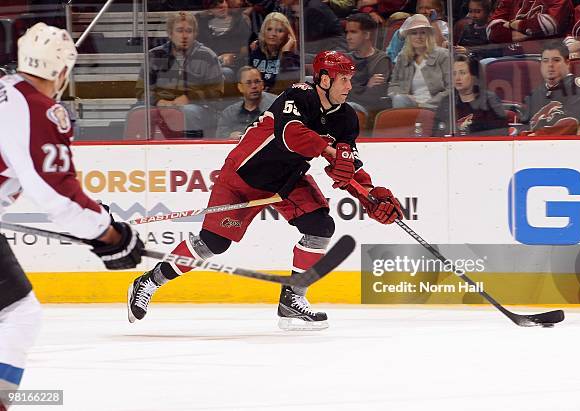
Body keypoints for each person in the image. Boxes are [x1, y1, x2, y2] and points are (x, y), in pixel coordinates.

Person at [127, 50, 403, 331]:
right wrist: (332, 152)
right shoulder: (298, 95)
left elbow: (349, 166)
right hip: (243, 177)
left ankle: (292, 300)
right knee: (213, 243)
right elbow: (291, 135)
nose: (348, 86)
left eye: (350, 79)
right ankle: (149, 281)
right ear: (323, 79)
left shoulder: (346, 119)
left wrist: (369, 195)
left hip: (286, 180)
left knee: (320, 227)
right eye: (343, 79)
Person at [0, 23, 144, 410]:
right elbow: (58, 194)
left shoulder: (6, 92)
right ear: (62, 71)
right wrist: (108, 234)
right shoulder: (37, 107)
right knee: (18, 316)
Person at [135, 11, 224, 138]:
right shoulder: (154, 55)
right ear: (170, 33)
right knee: (137, 112)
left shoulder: (207, 56)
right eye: (179, 30)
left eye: (189, 31)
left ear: (195, 34)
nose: (184, 36)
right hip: (161, 104)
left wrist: (190, 98)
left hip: (199, 108)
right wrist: (158, 101)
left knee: (188, 111)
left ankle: (192, 150)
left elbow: (216, 91)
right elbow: (141, 90)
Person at [519, 40, 580, 136]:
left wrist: (534, 137)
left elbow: (570, 123)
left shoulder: (578, 88)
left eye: (556, 60)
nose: (550, 65)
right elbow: (524, 126)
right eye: (545, 61)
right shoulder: (535, 94)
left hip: (575, 147)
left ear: (567, 63)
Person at [433, 53, 508, 136]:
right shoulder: (447, 102)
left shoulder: (490, 101)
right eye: (454, 73)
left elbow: (501, 134)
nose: (457, 78)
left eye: (462, 73)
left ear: (474, 76)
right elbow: (436, 135)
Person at [387, 14, 450, 109]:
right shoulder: (403, 57)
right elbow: (393, 85)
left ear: (429, 35)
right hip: (409, 106)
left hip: (436, 106)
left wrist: (426, 104)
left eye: (423, 33)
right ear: (409, 37)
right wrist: (402, 95)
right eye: (414, 33)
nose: (419, 37)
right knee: (399, 99)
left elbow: (450, 88)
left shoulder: (443, 55)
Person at [345, 13, 392, 118]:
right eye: (347, 32)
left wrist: (352, 88)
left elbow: (374, 96)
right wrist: (366, 86)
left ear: (367, 35)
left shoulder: (381, 60)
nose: (348, 37)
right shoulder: (345, 59)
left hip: (367, 110)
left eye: (353, 32)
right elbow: (339, 92)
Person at [486, 0, 574, 53]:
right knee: (487, 62)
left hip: (545, 57)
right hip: (510, 56)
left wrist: (511, 24)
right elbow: (491, 31)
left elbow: (550, 24)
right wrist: (532, 32)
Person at [197, 0, 252, 83]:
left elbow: (246, 49)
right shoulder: (202, 23)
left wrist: (234, 57)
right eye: (215, 5)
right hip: (208, 64)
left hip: (232, 65)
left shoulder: (239, 21)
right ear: (209, 11)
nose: (221, 6)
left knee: (224, 72)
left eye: (222, 2)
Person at [216, 66, 276, 139]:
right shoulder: (229, 113)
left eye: (257, 82)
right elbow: (219, 139)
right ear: (240, 87)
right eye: (248, 83)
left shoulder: (277, 106)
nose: (254, 86)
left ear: (262, 85)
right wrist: (229, 137)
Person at [248, 12, 300, 93]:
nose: (273, 34)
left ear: (287, 35)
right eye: (269, 29)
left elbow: (290, 83)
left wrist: (286, 52)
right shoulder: (256, 50)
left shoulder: (292, 57)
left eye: (279, 31)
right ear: (263, 31)